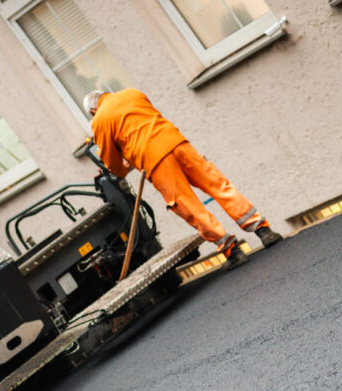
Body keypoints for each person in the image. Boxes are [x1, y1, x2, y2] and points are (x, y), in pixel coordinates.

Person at [84, 89, 282, 270]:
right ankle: (263, 230)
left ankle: (232, 251)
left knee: (188, 205)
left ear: (93, 111)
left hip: (155, 160)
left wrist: (126, 166)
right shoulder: (132, 93)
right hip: (177, 142)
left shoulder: (99, 121)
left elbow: (113, 164)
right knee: (217, 184)